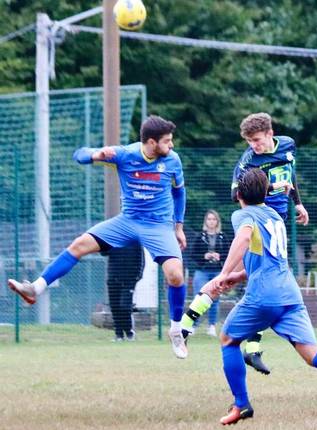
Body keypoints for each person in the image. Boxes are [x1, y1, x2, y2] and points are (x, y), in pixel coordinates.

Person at [183, 169, 317, 426]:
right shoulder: (274, 215)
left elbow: (242, 238)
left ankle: (241, 405)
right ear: (264, 194)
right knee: (312, 354)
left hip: (263, 296)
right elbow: (268, 260)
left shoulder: (242, 214)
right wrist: (238, 276)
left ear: (238, 194)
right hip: (289, 295)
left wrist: (222, 274)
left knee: (228, 339)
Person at [8, 115, 189, 359]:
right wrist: (96, 154)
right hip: (127, 221)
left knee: (175, 275)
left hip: (157, 226)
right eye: (167, 141)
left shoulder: (172, 161)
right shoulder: (125, 155)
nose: (172, 145)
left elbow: (179, 193)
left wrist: (178, 227)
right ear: (151, 142)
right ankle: (35, 289)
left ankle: (176, 330)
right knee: (78, 245)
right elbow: (79, 155)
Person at [229, 112, 310, 374]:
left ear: (270, 133)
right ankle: (250, 346)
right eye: (250, 141)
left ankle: (252, 347)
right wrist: (276, 189)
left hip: (279, 223)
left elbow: (290, 172)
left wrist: (297, 202)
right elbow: (235, 195)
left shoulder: (288, 145)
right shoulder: (247, 161)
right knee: (263, 281)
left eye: (257, 140)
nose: (254, 145)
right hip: (258, 225)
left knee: (264, 282)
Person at [187, 210, 229, 337]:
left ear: (217, 222)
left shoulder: (223, 237)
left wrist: (219, 257)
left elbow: (229, 255)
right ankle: (193, 325)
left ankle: (212, 326)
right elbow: (192, 254)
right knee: (198, 298)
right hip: (202, 271)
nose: (211, 221)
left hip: (217, 271)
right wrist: (204, 256)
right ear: (206, 221)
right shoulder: (200, 236)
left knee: (214, 300)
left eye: (214, 219)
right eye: (209, 219)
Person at [104, 244, 145, 341]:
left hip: (129, 279)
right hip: (113, 279)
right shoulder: (113, 239)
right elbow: (103, 252)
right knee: (115, 306)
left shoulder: (135, 241)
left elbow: (141, 260)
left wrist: (137, 275)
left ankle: (129, 332)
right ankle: (119, 335)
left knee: (125, 306)